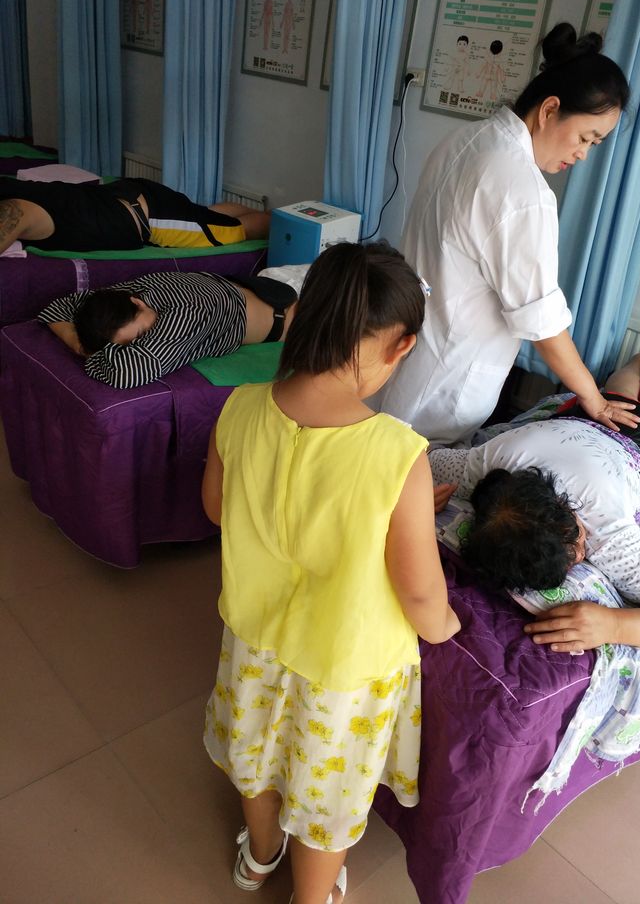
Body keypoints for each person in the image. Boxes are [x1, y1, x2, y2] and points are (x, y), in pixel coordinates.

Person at [201, 241, 460, 903]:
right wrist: (445, 625)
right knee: (328, 793)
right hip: (345, 665)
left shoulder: (239, 406)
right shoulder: (398, 453)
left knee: (255, 760)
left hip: (255, 639)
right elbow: (420, 592)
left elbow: (217, 509)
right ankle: (311, 897)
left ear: (303, 315)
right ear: (401, 347)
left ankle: (259, 857)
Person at [377, 22, 638, 446]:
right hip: (444, 379)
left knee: (375, 454)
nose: (583, 155)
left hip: (399, 349)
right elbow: (543, 322)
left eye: (594, 144)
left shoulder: (466, 139)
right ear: (549, 110)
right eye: (585, 138)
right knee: (406, 468)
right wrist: (595, 399)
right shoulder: (523, 192)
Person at [430, 354, 640, 654]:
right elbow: (424, 457)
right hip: (596, 415)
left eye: (576, 552)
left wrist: (614, 625)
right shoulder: (485, 465)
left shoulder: (607, 530)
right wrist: (414, 492)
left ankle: (636, 365)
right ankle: (635, 363)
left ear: (572, 517)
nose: (583, 556)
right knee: (620, 392)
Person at [38, 270, 297, 389]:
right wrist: (76, 340)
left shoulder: (185, 315)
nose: (138, 346)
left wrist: (85, 351)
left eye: (139, 336)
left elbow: (129, 372)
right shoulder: (127, 298)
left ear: (137, 303)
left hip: (290, 321)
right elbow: (59, 305)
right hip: (245, 289)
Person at [0, 176, 270, 255]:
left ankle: (285, 219)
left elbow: (17, 213)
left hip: (148, 216)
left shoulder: (15, 209)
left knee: (237, 230)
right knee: (205, 215)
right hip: (126, 197)